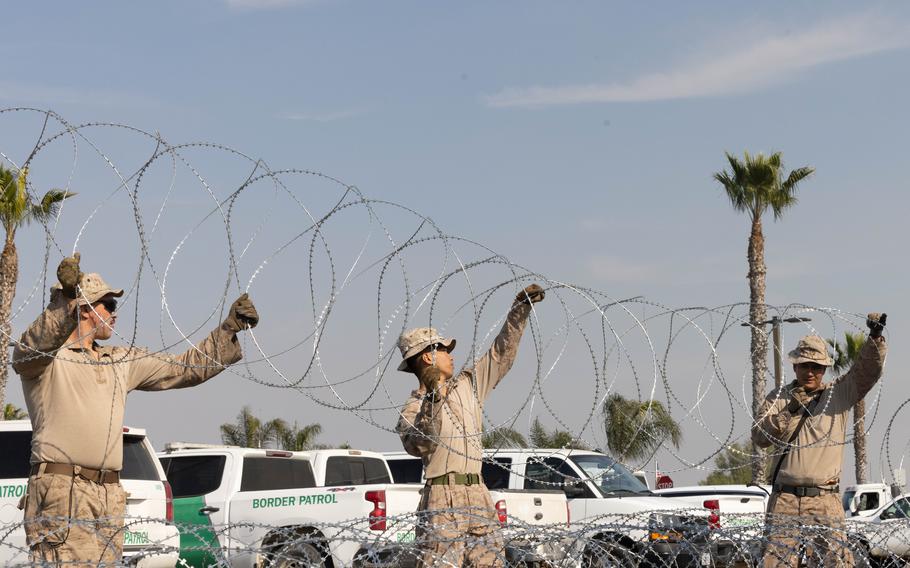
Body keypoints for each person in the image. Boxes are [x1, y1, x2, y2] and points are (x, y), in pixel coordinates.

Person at [12, 253, 259, 565]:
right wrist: (66, 299)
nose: (115, 313)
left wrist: (228, 329)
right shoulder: (45, 359)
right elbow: (29, 349)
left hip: (109, 492)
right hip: (63, 491)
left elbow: (183, 368)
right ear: (84, 309)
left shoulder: (119, 360)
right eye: (109, 305)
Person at [396, 284, 545, 567]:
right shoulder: (413, 408)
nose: (451, 354)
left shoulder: (468, 385)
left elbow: (500, 355)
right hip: (442, 496)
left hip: (477, 491)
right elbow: (419, 444)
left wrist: (520, 311)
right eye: (444, 349)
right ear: (428, 356)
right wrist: (432, 397)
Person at [752, 313, 887, 568]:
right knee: (776, 563)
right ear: (795, 367)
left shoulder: (838, 394)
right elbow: (759, 438)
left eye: (816, 367)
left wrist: (875, 338)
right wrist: (788, 411)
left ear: (824, 369)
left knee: (834, 562)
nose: (810, 372)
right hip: (785, 499)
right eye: (805, 365)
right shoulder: (779, 397)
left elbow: (866, 372)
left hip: (824, 499)